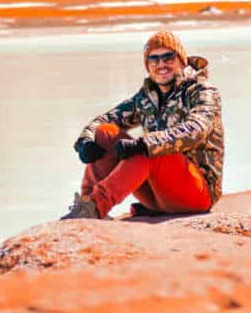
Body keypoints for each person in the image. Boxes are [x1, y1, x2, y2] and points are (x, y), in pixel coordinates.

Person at [61, 29, 224, 220]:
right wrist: (85, 141)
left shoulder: (203, 92)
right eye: (154, 59)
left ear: (181, 60)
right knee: (104, 133)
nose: (161, 64)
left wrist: (144, 144)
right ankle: (85, 205)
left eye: (168, 57)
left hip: (197, 192)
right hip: (157, 195)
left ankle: (95, 208)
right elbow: (105, 120)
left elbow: (196, 129)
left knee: (150, 149)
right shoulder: (147, 97)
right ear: (148, 65)